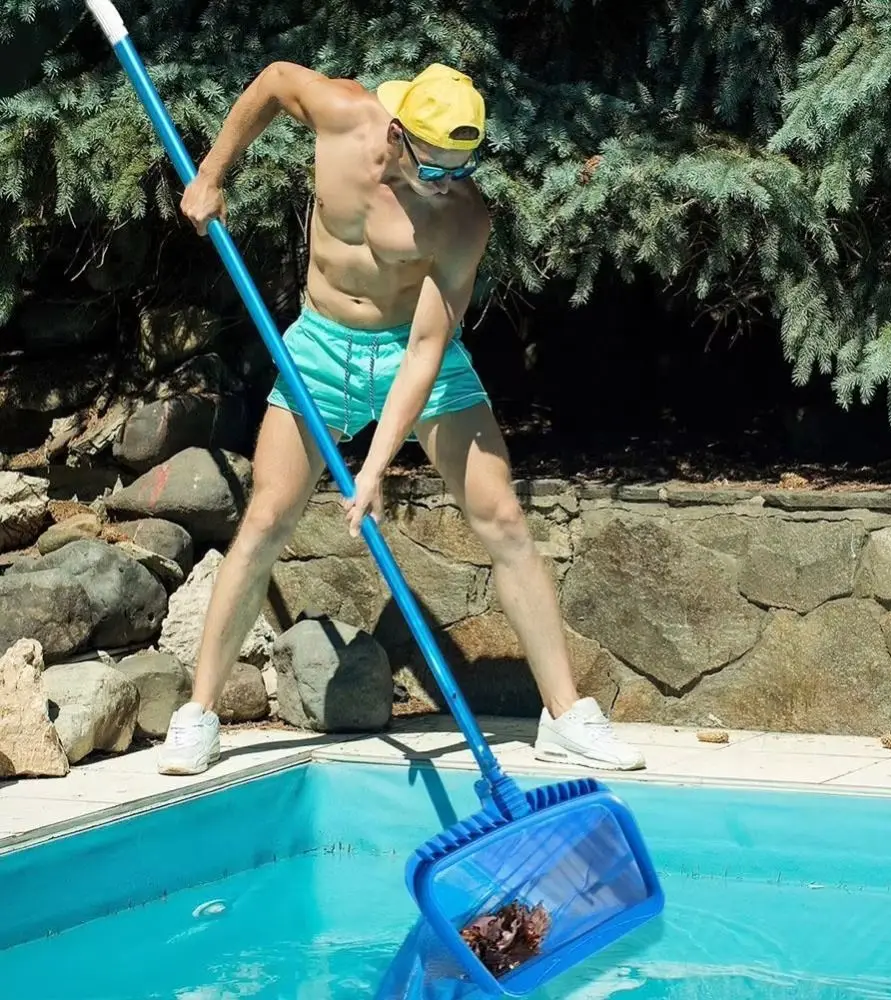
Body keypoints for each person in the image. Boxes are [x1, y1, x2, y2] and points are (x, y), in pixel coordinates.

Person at [156, 61, 645, 775]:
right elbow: (268, 82)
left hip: (415, 354)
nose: (448, 183)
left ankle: (567, 716)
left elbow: (423, 349)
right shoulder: (339, 114)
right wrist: (214, 173)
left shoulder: (463, 217)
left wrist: (377, 465)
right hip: (320, 347)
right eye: (435, 167)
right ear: (395, 131)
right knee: (266, 520)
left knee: (503, 518)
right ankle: (197, 715)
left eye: (462, 168)